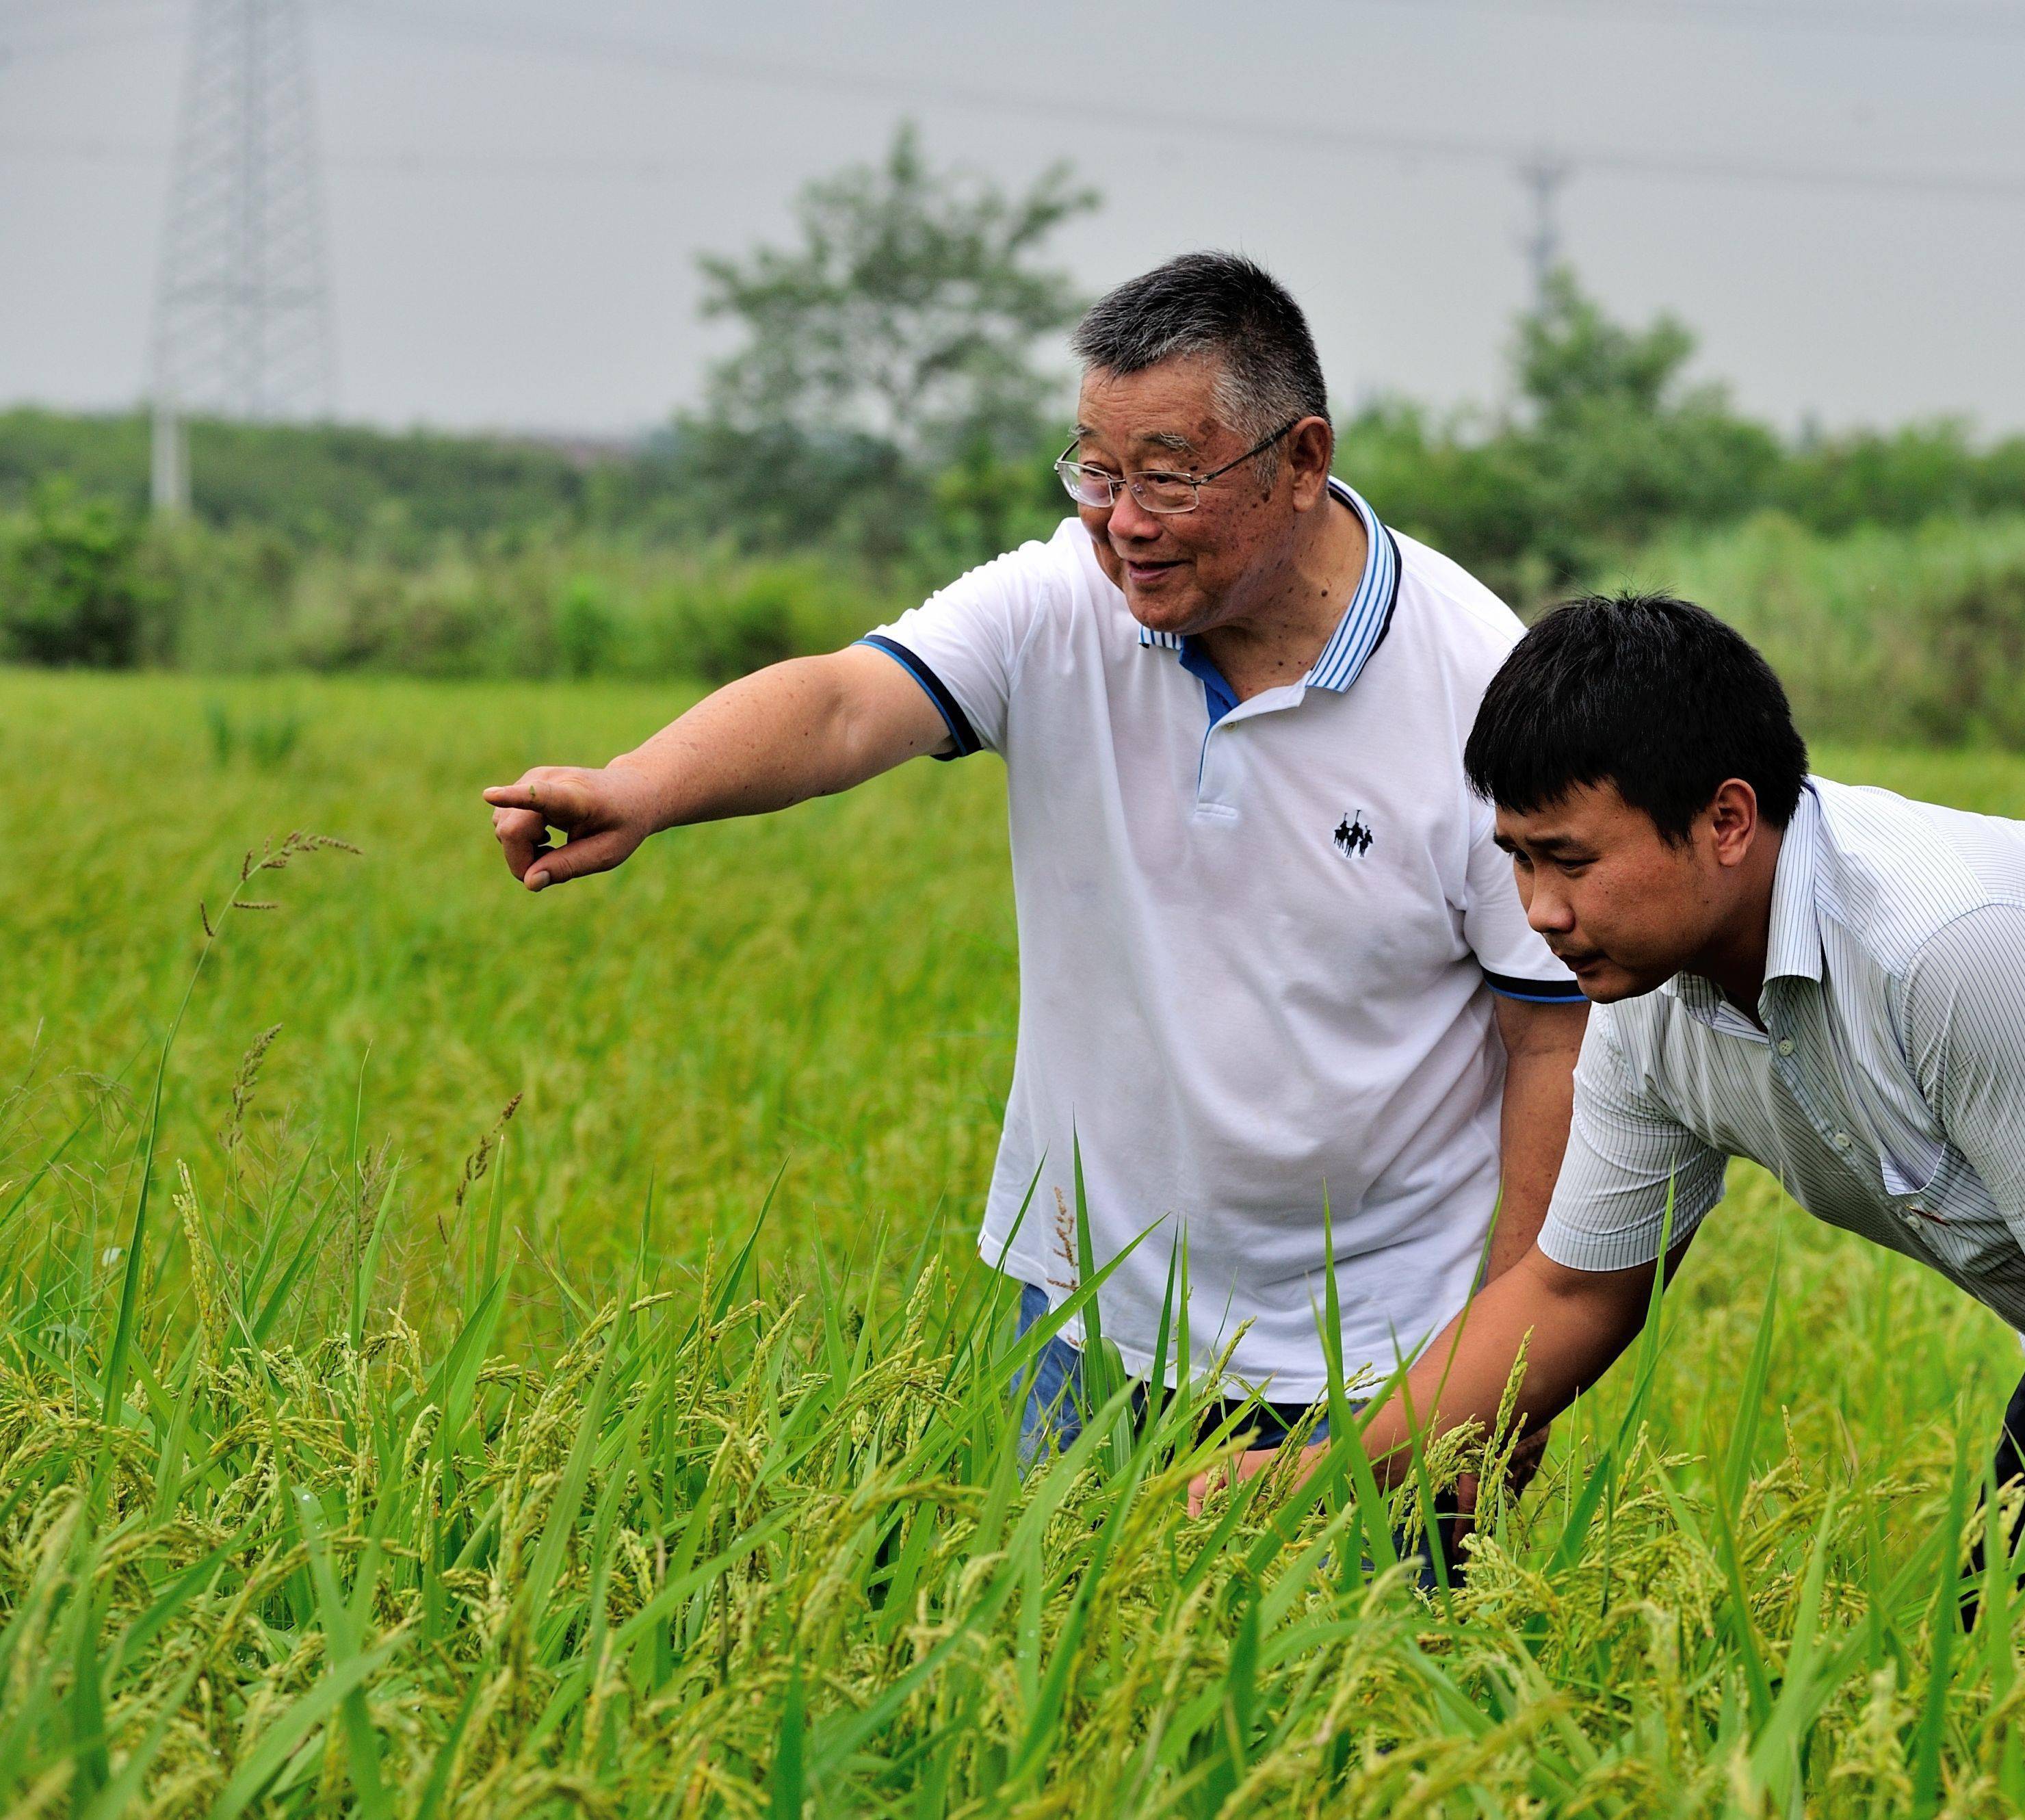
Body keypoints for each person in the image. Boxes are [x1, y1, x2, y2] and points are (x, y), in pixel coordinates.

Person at [1220, 593, 2025, 1630]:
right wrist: (1329, 1471)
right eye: (1515, 860)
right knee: (1991, 1684)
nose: (1540, 913)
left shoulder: (1949, 950)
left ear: (1726, 820)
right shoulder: (1644, 1009)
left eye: (1570, 861)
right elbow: (1571, 1294)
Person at [483, 252, 1589, 1469]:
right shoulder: (1066, 602)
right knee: (1050, 1647)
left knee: (1357, 1660)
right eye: (1097, 473)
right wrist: (643, 787)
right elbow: (849, 704)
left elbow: (1550, 1038)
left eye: (1167, 478)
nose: (1122, 524)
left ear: (1302, 460)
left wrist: (1500, 1382)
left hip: (1371, 1354)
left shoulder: (1480, 683)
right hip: (1083, 1317)